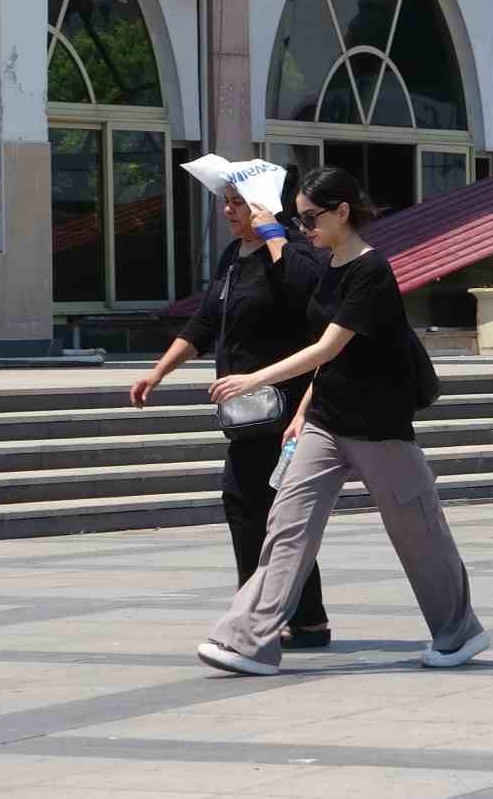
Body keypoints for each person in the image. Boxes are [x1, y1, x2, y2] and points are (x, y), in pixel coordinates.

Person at [194, 166, 487, 677]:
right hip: (326, 420)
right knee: (287, 525)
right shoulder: (329, 265)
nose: (302, 227)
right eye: (298, 218)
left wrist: (252, 380)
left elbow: (328, 346)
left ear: (343, 212)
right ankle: (250, 640)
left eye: (309, 218)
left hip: (379, 424)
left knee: (418, 531)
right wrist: (303, 412)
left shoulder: (372, 271)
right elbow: (330, 361)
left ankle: (458, 631)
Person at [130, 181, 333, 650]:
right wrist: (158, 373)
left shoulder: (293, 253)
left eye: (238, 202)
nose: (228, 211)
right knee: (257, 510)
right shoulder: (232, 257)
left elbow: (314, 308)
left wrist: (276, 235)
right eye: (225, 202)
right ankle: (302, 618)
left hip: (286, 408)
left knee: (259, 508)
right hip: (244, 411)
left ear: (264, 204)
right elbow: (205, 322)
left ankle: (266, 617)